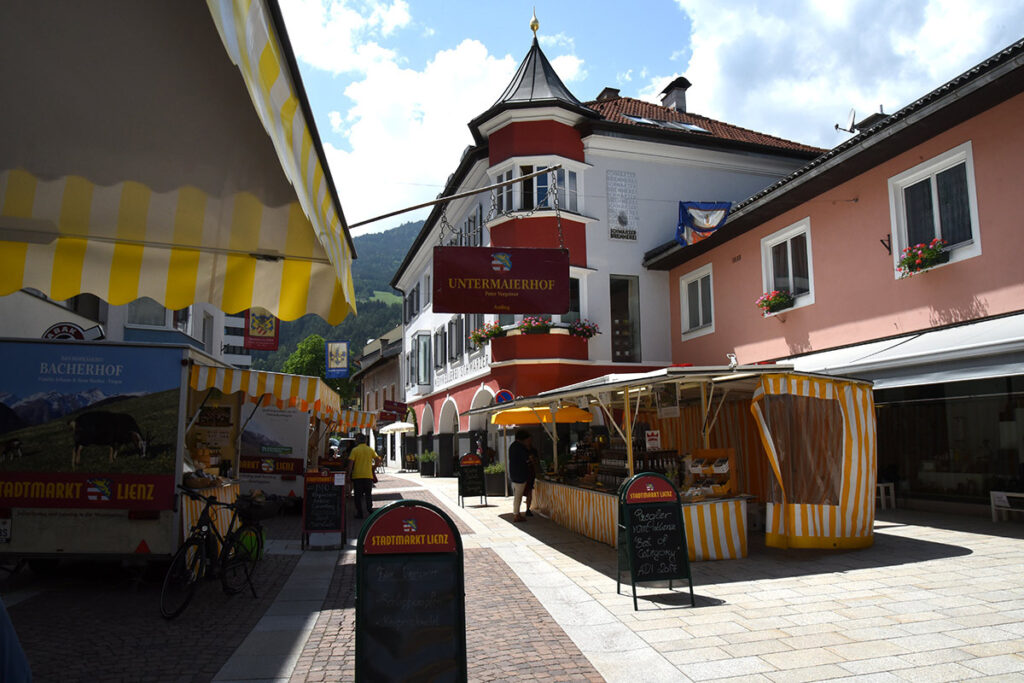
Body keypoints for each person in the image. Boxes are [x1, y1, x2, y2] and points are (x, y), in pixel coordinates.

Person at [346, 434, 378, 519]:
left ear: (357, 441)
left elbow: (350, 463)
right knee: (368, 494)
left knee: (358, 496)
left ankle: (360, 513)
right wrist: (373, 468)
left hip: (357, 476)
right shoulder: (370, 449)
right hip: (368, 476)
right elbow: (378, 460)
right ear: (365, 441)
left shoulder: (355, 450)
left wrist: (348, 475)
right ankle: (369, 509)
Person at [508, 429, 532, 523]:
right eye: (528, 439)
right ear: (524, 439)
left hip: (514, 473)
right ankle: (516, 515)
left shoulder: (513, 446)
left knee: (517, 495)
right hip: (520, 474)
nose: (529, 441)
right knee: (518, 495)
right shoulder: (520, 447)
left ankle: (516, 513)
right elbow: (526, 458)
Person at [523, 444, 540, 517]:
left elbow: (536, 461)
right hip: (523, 473)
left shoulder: (533, 450)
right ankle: (523, 510)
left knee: (529, 491)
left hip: (530, 473)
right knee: (522, 492)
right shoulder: (522, 450)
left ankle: (527, 509)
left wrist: (533, 461)